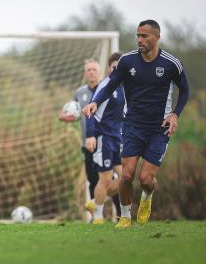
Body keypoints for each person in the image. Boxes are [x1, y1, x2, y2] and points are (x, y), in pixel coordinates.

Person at [83, 20, 189, 228]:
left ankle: (147, 198)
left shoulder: (171, 64)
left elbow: (184, 90)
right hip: (132, 126)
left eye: (145, 36)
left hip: (159, 129)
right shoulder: (127, 61)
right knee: (126, 175)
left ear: (157, 37)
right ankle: (124, 217)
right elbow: (111, 84)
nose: (140, 40)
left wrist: (175, 114)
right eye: (138, 35)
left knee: (146, 179)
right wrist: (95, 101)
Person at [85, 52, 124, 224]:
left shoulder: (126, 88)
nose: (117, 70)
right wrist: (90, 136)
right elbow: (89, 112)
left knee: (126, 179)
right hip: (104, 138)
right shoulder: (105, 86)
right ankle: (99, 217)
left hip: (119, 139)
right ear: (109, 68)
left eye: (120, 67)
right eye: (114, 67)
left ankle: (95, 203)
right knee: (106, 178)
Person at [59, 59, 101, 215]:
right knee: (92, 179)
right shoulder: (80, 92)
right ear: (85, 73)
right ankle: (96, 216)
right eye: (88, 70)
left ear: (100, 72)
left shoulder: (106, 90)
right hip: (86, 144)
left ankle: (120, 214)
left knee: (109, 179)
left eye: (94, 69)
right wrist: (64, 117)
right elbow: (70, 112)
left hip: (105, 142)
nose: (91, 72)